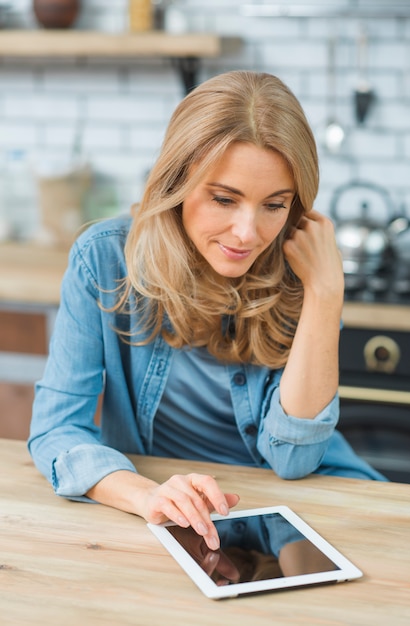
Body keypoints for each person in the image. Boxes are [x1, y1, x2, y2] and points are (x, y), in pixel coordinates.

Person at [28, 70, 386, 553]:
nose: (247, 233)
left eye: (274, 205)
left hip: (311, 501)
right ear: (176, 182)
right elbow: (57, 429)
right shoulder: (104, 260)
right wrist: (146, 495)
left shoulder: (305, 271)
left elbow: (295, 460)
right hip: (180, 513)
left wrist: (324, 294)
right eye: (224, 199)